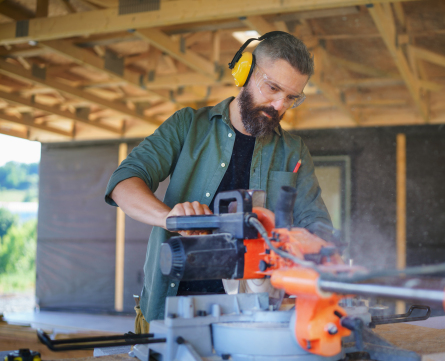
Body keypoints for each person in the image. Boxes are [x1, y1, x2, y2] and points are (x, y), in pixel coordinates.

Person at [104, 32, 332, 332]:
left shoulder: (294, 151)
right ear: (244, 71)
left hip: (254, 321)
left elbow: (317, 224)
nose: (279, 106)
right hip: (170, 312)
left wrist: (320, 251)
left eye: (291, 97)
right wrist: (168, 218)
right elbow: (123, 182)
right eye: (273, 88)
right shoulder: (188, 126)